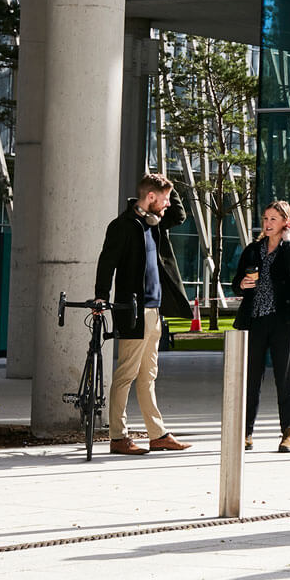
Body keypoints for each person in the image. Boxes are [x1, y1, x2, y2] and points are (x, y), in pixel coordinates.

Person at [94, 173, 194, 455]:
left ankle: (157, 434)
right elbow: (107, 262)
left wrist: (168, 184)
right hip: (133, 311)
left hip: (154, 312)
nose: (166, 206)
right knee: (126, 374)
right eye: (161, 199)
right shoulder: (123, 226)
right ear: (150, 197)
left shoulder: (156, 224)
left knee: (148, 375)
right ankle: (118, 436)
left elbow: (180, 214)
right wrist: (101, 295)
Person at [230, 200, 290, 454]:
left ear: (285, 222)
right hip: (255, 320)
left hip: (283, 321)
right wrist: (242, 284)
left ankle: (288, 433)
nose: (267, 223)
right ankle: (246, 433)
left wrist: (286, 241)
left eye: (273, 219)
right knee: (250, 379)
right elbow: (236, 283)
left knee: (285, 380)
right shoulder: (252, 250)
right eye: (265, 218)